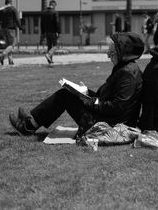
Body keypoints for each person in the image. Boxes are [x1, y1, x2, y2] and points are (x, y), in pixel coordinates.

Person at [9, 32, 145, 137]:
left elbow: (117, 107)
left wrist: (89, 100)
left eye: (112, 52)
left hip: (108, 125)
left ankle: (28, 126)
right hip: (109, 119)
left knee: (65, 95)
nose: (108, 55)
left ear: (123, 53)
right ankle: (31, 121)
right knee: (68, 92)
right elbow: (111, 99)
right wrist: (85, 92)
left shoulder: (127, 73)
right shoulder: (126, 68)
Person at [0, 0, 22, 65]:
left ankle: (10, 61)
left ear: (5, 3)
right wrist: (20, 27)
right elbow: (17, 19)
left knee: (8, 45)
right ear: (11, 2)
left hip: (3, 28)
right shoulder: (13, 9)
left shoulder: (1, 9)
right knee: (13, 44)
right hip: (10, 29)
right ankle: (3, 54)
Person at [41, 0, 60, 64]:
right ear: (53, 5)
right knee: (55, 45)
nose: (55, 7)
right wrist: (58, 32)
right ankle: (49, 54)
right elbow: (57, 23)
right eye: (55, 6)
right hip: (53, 32)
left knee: (49, 46)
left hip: (47, 32)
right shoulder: (54, 12)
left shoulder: (44, 13)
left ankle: (50, 60)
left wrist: (43, 32)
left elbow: (42, 23)